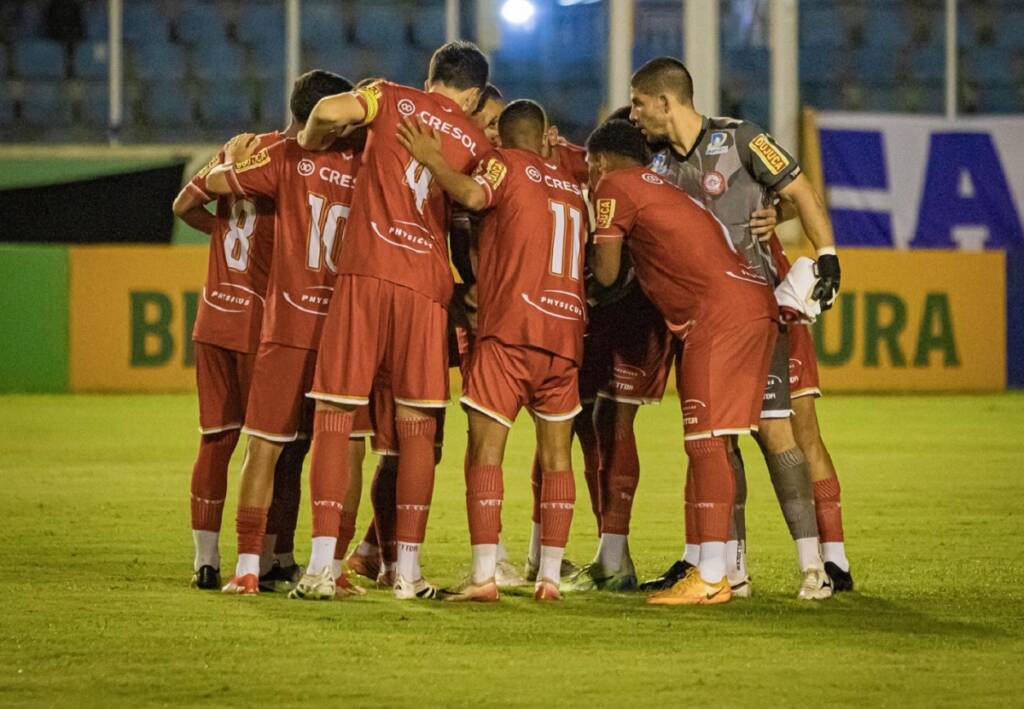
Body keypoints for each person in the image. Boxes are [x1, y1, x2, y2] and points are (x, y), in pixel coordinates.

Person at [627, 57, 840, 598]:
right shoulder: (655, 167)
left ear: (665, 102)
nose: (633, 114)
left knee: (775, 431)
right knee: (717, 441)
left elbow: (800, 192)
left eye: (638, 103)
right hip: (697, 322)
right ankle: (733, 569)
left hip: (757, 311)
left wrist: (828, 255)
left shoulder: (742, 139)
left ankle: (814, 567)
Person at [289, 41, 490, 601]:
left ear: (432, 78)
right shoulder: (476, 141)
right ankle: (408, 572)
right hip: (426, 285)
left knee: (335, 413)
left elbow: (326, 111)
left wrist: (309, 141)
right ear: (473, 96)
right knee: (417, 427)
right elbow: (477, 208)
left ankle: (321, 568)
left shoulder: (389, 97)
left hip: (368, 272)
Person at [171, 70, 355, 592]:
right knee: (281, 446)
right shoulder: (295, 162)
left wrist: (222, 231)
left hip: (214, 314)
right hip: (261, 324)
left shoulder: (244, 150)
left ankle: (206, 560)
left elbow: (183, 205)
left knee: (216, 440)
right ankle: (274, 556)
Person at [398, 99, 586, 601]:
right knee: (557, 457)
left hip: (512, 330)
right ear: (544, 136)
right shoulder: (570, 187)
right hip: (565, 335)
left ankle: (485, 575)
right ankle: (549, 578)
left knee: (485, 452)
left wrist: (433, 159)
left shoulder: (505, 164)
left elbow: (473, 195)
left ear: (504, 137)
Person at [588, 119, 779, 605]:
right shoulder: (663, 187)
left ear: (601, 161)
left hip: (717, 317)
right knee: (716, 442)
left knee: (705, 443)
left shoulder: (614, 184)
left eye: (591, 167)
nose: (591, 177)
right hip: (750, 302)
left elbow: (606, 275)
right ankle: (715, 567)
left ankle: (711, 577)